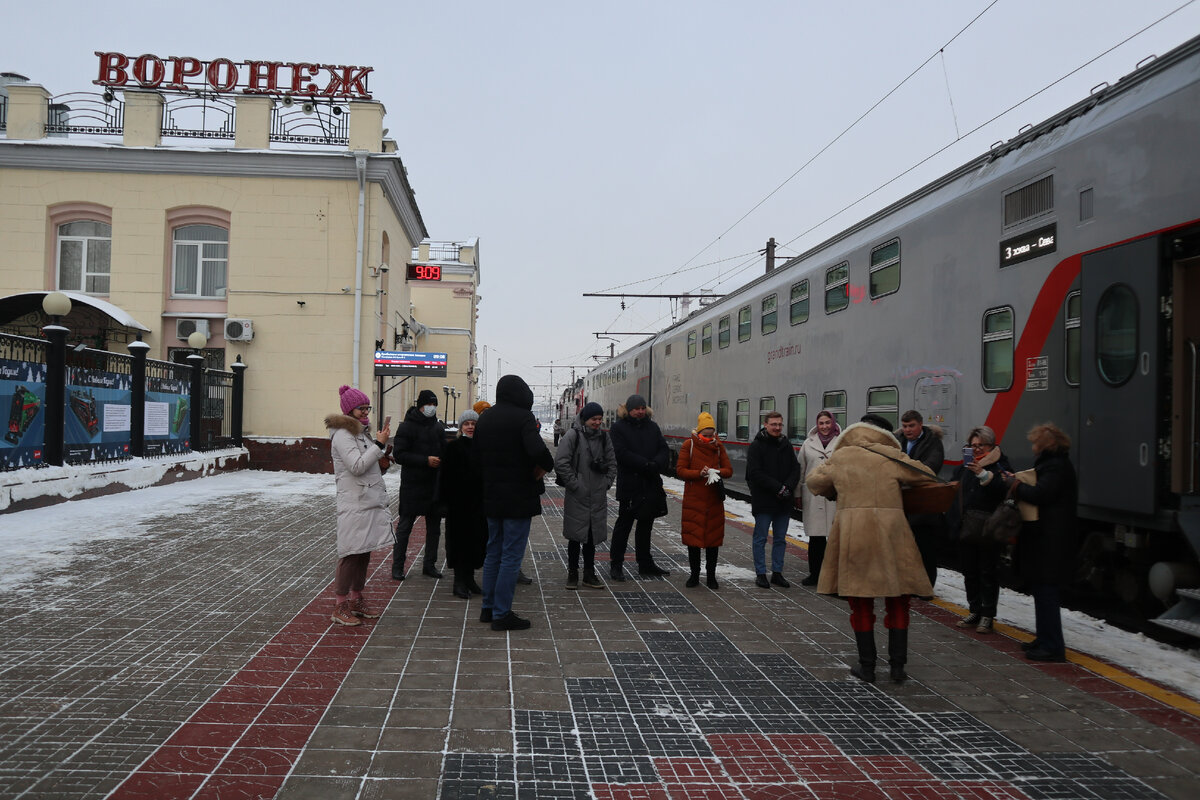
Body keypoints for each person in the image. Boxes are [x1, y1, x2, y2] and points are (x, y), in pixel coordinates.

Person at [806, 420, 939, 683]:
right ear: (885, 435)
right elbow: (927, 475)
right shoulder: (891, 455)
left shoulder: (842, 456)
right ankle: (898, 668)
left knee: (860, 601)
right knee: (898, 599)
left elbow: (814, 483)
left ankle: (867, 667)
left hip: (855, 536)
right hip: (893, 536)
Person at [472, 374, 554, 631]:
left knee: (493, 551)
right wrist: (545, 466)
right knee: (511, 555)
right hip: (518, 497)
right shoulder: (523, 417)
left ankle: (488, 608)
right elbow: (538, 450)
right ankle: (502, 613)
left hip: (491, 496)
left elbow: (476, 457)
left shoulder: (485, 418)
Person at [1006, 422, 1078, 663]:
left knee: (1046, 592)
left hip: (1050, 540)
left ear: (1046, 444)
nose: (1032, 446)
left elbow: (1040, 495)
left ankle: (1052, 646)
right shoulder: (1054, 464)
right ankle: (1044, 639)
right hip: (1047, 538)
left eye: (1035, 442)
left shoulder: (1055, 467)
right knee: (1041, 590)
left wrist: (1015, 485)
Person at [325, 386, 394, 626]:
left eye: (367, 407)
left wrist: (382, 460)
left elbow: (367, 464)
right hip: (354, 501)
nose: (365, 412)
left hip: (367, 499)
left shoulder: (361, 432)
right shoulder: (343, 434)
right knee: (350, 553)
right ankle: (340, 605)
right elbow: (356, 466)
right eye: (360, 408)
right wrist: (378, 445)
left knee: (364, 550)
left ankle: (356, 599)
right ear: (349, 410)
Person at [948, 426, 1011, 634]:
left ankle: (988, 615)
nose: (975, 449)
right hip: (966, 527)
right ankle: (974, 610)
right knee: (970, 572)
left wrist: (983, 475)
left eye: (980, 445)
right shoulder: (964, 467)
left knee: (987, 572)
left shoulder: (1000, 465)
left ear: (991, 446)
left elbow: (1003, 490)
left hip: (989, 528)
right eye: (972, 445)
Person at [608, 394, 672, 580]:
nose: (640, 412)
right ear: (629, 410)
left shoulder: (652, 426)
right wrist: (645, 464)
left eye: (643, 408)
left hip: (650, 483)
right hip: (630, 484)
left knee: (646, 526)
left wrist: (656, 464)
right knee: (624, 526)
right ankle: (616, 565)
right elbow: (620, 453)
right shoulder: (618, 428)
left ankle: (645, 563)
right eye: (636, 409)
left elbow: (663, 448)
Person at [554, 401, 617, 590]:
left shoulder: (604, 438)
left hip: (597, 494)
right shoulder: (573, 435)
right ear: (585, 419)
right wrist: (575, 484)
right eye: (593, 419)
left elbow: (612, 462)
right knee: (575, 536)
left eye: (599, 419)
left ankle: (589, 573)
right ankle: (572, 573)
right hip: (577, 495)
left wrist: (606, 482)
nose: (597, 422)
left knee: (591, 536)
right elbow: (561, 462)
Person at [392, 389, 446, 581]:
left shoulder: (438, 427)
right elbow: (399, 455)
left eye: (434, 405)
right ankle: (397, 566)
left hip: (433, 486)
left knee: (434, 529)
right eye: (428, 404)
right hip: (413, 485)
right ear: (420, 406)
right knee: (405, 527)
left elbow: (444, 451)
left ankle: (429, 565)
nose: (431, 408)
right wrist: (425, 460)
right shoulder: (406, 427)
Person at [675, 411, 733, 589]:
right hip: (694, 499)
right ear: (698, 432)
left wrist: (717, 472)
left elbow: (729, 470)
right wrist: (699, 473)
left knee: (713, 540)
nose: (708, 438)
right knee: (693, 540)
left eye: (711, 435)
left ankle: (711, 576)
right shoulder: (689, 445)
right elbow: (680, 470)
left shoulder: (719, 447)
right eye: (705, 435)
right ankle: (694, 575)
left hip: (714, 500)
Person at [746, 410, 801, 588]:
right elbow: (755, 473)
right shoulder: (756, 446)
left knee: (780, 539)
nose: (777, 428)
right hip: (764, 501)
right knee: (760, 538)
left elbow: (795, 469)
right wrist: (778, 487)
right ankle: (761, 573)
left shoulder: (786, 444)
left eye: (779, 424)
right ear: (765, 425)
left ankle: (777, 573)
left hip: (783, 501)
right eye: (773, 424)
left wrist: (788, 487)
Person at [440, 409, 487, 600]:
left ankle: (470, 579)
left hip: (478, 504)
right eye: (466, 424)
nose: (470, 427)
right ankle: (458, 581)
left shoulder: (483, 447)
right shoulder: (453, 447)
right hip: (458, 505)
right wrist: (444, 501)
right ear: (460, 427)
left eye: (473, 424)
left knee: (476, 542)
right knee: (460, 543)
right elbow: (444, 477)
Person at [896, 410, 946, 587]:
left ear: (920, 424)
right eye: (905, 426)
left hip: (924, 506)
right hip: (902, 504)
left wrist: (902, 474)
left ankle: (926, 587)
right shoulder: (898, 441)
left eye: (911, 426)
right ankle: (908, 584)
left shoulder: (933, 442)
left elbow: (930, 469)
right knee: (905, 549)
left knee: (925, 549)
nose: (907, 430)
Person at [797, 411, 841, 586]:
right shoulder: (808, 444)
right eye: (821, 423)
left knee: (835, 538)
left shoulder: (842, 442)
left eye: (827, 423)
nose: (824, 426)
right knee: (816, 538)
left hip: (835, 494)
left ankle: (833, 575)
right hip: (813, 495)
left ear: (833, 423)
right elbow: (801, 469)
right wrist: (797, 494)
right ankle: (814, 574)